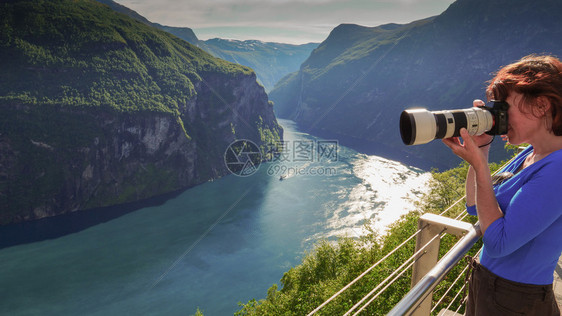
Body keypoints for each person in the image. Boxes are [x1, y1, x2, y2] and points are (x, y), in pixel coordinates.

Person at [442, 54, 562, 316]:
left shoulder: (558, 169)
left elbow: (498, 243)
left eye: (504, 108)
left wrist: (480, 167)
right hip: (491, 286)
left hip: (516, 299)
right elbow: (476, 207)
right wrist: (482, 148)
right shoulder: (531, 154)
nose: (498, 117)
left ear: (541, 105)